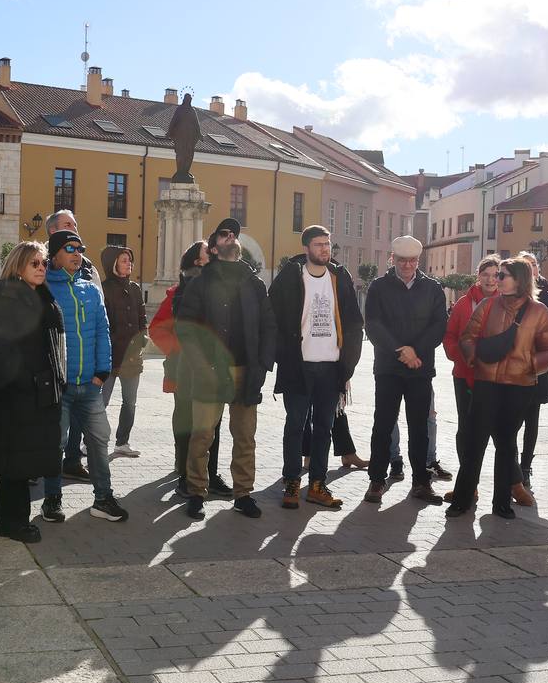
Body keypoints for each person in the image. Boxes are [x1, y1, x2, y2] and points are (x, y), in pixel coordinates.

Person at [176, 218, 276, 520]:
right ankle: (196, 493)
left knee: (245, 437)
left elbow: (269, 327)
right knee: (202, 435)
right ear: (214, 246)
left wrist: (262, 366)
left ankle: (243, 494)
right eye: (224, 234)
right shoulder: (200, 283)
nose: (231, 237)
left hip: (246, 371)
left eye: (234, 234)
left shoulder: (254, 283)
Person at [449, 257, 548, 519]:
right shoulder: (488, 306)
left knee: (506, 444)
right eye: (497, 275)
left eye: (503, 275)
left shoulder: (539, 311)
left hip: (519, 386)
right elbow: (467, 337)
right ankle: (462, 500)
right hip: (486, 383)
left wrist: (530, 365)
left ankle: (501, 503)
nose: (496, 280)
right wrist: (475, 358)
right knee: (475, 442)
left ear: (519, 279)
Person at [0, 242, 65, 542]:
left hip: (40, 392)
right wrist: (25, 381)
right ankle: (13, 523)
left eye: (43, 263)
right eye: (34, 263)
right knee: (15, 463)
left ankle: (11, 521)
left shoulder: (41, 296)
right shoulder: (7, 298)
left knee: (24, 463)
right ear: (19, 265)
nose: (41, 268)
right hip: (15, 396)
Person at [270, 225, 363, 509]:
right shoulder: (291, 276)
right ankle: (291, 482)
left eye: (328, 244)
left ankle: (318, 485)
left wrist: (347, 365)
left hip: (331, 367)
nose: (325, 249)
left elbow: (354, 322)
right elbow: (272, 317)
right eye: (319, 244)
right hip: (299, 366)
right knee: (295, 426)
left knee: (324, 427)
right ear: (307, 248)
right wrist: (282, 357)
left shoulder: (340, 277)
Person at [41, 230, 129, 523]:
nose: (77, 254)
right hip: (60, 385)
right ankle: (52, 500)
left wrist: (102, 371)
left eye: (80, 249)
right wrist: (53, 376)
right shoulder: (45, 289)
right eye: (70, 248)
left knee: (99, 441)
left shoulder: (90, 290)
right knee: (55, 443)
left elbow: (103, 332)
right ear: (54, 255)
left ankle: (103, 498)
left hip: (90, 383)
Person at [363, 236, 445, 506]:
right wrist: (401, 350)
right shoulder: (378, 287)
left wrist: (415, 352)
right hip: (388, 368)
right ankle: (377, 479)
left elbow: (438, 325)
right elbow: (373, 325)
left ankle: (421, 481)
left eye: (412, 261)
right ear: (392, 259)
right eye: (402, 260)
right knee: (383, 425)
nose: (407, 265)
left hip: (419, 369)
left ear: (418, 261)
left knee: (420, 428)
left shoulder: (432, 288)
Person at [148, 242, 230, 497]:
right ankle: (185, 475)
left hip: (213, 367)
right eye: (209, 252)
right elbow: (157, 328)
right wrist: (179, 349)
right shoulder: (177, 292)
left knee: (212, 425)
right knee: (185, 421)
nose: (214, 254)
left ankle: (210, 473)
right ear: (197, 261)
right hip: (184, 369)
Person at [442, 255, 501, 506]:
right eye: (485, 274)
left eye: (495, 275)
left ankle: (512, 484)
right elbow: (450, 337)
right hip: (464, 375)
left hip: (494, 378)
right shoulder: (464, 304)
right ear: (478, 276)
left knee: (497, 434)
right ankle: (469, 486)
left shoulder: (506, 303)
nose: (490, 279)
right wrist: (461, 357)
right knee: (465, 431)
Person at [45, 211, 96, 478]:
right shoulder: (40, 263)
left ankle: (73, 460)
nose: (74, 229)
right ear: (53, 232)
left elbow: (99, 311)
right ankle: (43, 466)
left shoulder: (87, 266)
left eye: (75, 225)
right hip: (53, 362)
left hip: (82, 361)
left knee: (77, 419)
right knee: (52, 424)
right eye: (67, 226)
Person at [515, 251, 548, 494]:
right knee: (509, 422)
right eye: (526, 265)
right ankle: (511, 468)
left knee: (531, 420)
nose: (531, 268)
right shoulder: (509, 296)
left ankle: (525, 468)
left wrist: (539, 360)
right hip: (510, 370)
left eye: (534, 264)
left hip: (537, 369)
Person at [100, 244, 147, 458]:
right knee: (102, 401)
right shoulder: (104, 288)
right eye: (124, 260)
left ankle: (122, 442)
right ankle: (91, 440)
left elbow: (141, 317)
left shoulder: (136, 289)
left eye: (130, 259)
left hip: (132, 357)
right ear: (113, 264)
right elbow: (102, 322)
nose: (129, 263)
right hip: (110, 356)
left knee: (130, 402)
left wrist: (142, 338)